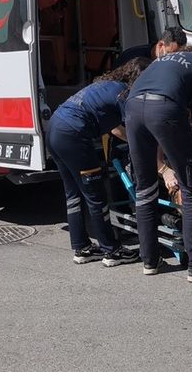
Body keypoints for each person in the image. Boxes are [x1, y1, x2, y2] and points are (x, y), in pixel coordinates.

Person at [125, 50, 192, 281]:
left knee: (145, 189)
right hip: (164, 106)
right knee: (191, 187)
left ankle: (150, 261)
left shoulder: (163, 63)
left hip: (133, 107)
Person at [47, 57, 149, 266]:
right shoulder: (125, 94)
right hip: (74, 134)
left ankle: (82, 248)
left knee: (73, 194)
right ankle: (112, 250)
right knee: (95, 195)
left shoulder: (106, 85)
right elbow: (134, 129)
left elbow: (115, 129)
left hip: (55, 129)